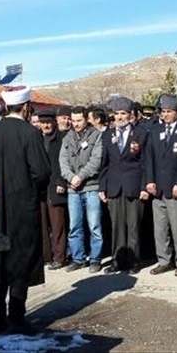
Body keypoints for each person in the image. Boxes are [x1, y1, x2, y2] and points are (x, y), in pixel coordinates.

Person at [0, 85, 51, 335]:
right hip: (22, 205)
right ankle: (17, 316)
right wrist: (34, 190)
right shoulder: (30, 134)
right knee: (20, 258)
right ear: (26, 106)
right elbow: (42, 171)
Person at [145, 94, 177, 277]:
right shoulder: (155, 130)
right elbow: (148, 157)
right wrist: (149, 180)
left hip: (176, 187)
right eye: (163, 111)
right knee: (160, 228)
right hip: (158, 188)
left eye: (168, 111)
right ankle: (164, 260)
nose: (165, 115)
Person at [99, 96, 150, 274]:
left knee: (134, 225)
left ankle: (134, 261)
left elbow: (146, 162)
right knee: (117, 226)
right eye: (116, 114)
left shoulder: (142, 133)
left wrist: (144, 187)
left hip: (134, 185)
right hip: (114, 186)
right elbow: (104, 164)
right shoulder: (107, 134)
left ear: (130, 115)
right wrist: (102, 187)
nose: (120, 117)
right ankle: (117, 260)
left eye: (123, 113)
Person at [60, 106, 104, 273]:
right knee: (75, 225)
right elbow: (63, 161)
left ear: (87, 119)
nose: (76, 124)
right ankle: (78, 258)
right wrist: (71, 177)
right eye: (74, 120)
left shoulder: (96, 136)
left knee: (94, 226)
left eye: (79, 120)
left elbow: (96, 161)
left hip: (91, 186)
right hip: (73, 189)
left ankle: (95, 259)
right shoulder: (67, 138)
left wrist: (81, 176)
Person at [35, 110, 69, 271]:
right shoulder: (35, 139)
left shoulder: (61, 139)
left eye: (48, 122)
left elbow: (64, 163)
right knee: (41, 224)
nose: (46, 125)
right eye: (43, 122)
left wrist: (61, 181)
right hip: (40, 187)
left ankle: (60, 257)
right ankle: (45, 255)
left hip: (56, 185)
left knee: (58, 225)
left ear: (54, 122)